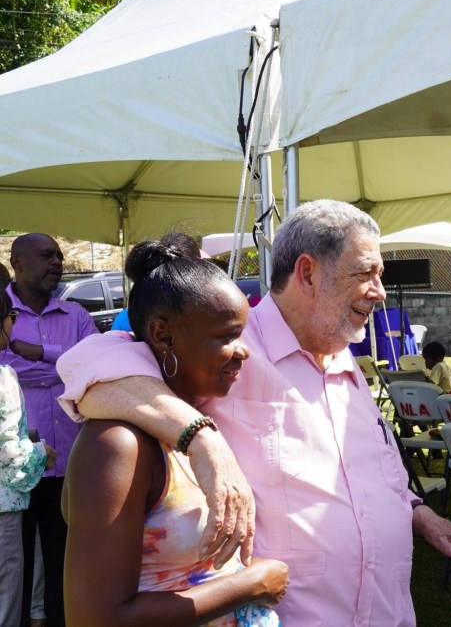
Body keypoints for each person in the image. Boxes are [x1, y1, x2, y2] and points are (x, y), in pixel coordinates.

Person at [56, 200, 451, 625]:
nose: (379, 292)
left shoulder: (342, 357)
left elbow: (370, 473)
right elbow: (88, 368)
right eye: (365, 273)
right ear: (308, 273)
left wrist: (418, 514)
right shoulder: (222, 349)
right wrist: (202, 436)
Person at [62, 236, 288, 626]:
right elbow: (95, 618)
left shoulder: (198, 414)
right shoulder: (119, 445)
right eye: (227, 336)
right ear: (164, 335)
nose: (244, 351)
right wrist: (250, 584)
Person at [1, 233, 97, 627]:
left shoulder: (76, 314)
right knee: (16, 569)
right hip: (17, 472)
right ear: (17, 263)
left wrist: (39, 354)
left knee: (64, 560)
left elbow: (95, 366)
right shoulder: (3, 312)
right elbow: (7, 371)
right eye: (46, 256)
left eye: (58, 255)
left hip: (70, 462)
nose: (57, 262)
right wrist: (65, 368)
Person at [0, 291, 53, 627]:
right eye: (11, 316)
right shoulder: (3, 376)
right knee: (6, 598)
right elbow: (8, 455)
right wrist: (41, 453)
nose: (12, 323)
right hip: (3, 508)